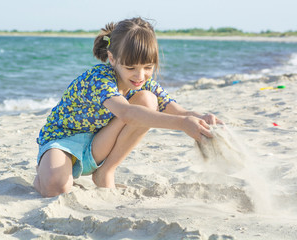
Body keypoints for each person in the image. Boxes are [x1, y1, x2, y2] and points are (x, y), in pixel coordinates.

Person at [34, 17, 222, 197]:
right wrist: (182, 124)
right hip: (63, 140)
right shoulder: (99, 78)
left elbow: (180, 111)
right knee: (56, 188)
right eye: (131, 68)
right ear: (112, 59)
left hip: (98, 144)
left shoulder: (144, 84)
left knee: (148, 101)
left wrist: (202, 119)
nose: (140, 76)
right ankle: (45, 172)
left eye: (148, 67)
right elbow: (126, 113)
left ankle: (105, 172)